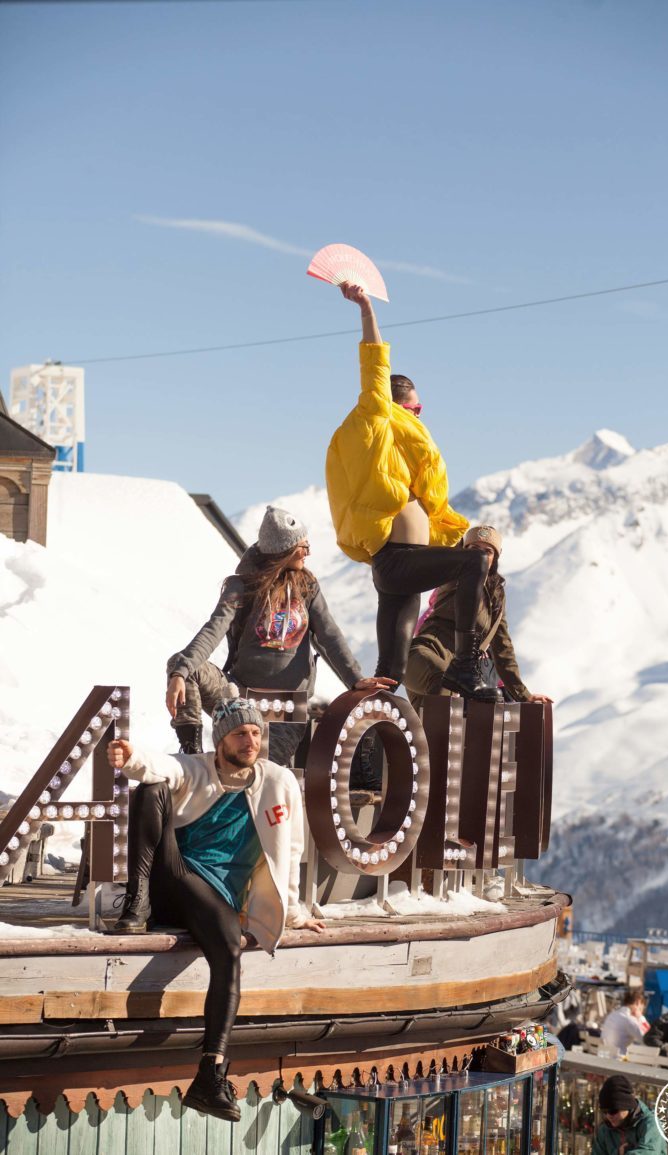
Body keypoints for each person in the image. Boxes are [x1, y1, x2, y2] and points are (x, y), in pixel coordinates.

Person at [107, 691, 324, 1122]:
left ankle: (210, 1075)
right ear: (221, 740)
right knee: (152, 790)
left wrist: (296, 912)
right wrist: (132, 758)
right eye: (240, 733)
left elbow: (291, 851)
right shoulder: (198, 768)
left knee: (229, 948)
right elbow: (163, 765)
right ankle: (136, 901)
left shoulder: (279, 782)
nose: (250, 740)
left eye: (256, 732)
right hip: (176, 878)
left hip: (218, 898)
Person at [325, 283, 497, 702]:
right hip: (398, 560)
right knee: (475, 562)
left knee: (390, 674)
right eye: (416, 409)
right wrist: (365, 308)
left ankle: (367, 746)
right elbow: (374, 362)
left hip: (402, 570)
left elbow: (431, 504)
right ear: (399, 404)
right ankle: (465, 665)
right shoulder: (376, 414)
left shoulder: (402, 453)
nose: (421, 415)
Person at [166, 505, 390, 765]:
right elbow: (213, 629)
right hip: (239, 696)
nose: (308, 553)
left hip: (287, 707)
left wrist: (355, 679)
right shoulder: (241, 587)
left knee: (260, 772)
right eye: (303, 547)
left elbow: (329, 636)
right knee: (181, 665)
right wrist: (180, 673)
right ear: (284, 549)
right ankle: (191, 755)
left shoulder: (307, 587)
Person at [403, 524, 552, 711]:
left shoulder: (497, 596)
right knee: (444, 686)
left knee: (445, 733)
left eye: (487, 551)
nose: (479, 556)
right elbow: (445, 548)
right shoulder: (454, 575)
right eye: (473, 549)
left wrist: (524, 695)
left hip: (460, 677)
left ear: (495, 558)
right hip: (424, 656)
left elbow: (503, 649)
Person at [591, 1075, 665, 1154]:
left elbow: (648, 1152)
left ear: (627, 1106)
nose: (609, 1116)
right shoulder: (605, 1130)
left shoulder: (651, 1124)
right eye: (604, 1112)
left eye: (613, 1111)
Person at [600, 990, 649, 1057]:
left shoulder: (612, 1015)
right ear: (638, 1003)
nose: (643, 1009)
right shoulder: (629, 1019)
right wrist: (641, 1017)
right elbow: (648, 1039)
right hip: (618, 1060)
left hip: (604, 1056)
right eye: (643, 1006)